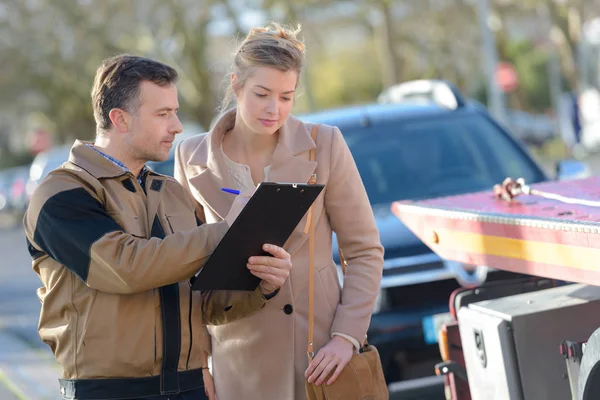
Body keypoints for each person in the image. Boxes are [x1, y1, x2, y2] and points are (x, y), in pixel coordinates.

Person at [23, 54, 292, 400]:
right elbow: (125, 267)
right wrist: (225, 231)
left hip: (191, 388)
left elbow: (206, 303)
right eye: (163, 114)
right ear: (119, 119)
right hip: (109, 393)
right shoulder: (61, 194)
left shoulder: (172, 193)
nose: (177, 126)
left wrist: (262, 283)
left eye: (175, 112)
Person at [174, 23, 384, 399]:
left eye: (286, 97)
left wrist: (346, 337)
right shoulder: (190, 157)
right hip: (237, 360)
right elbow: (185, 270)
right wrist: (195, 365)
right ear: (236, 84)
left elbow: (364, 250)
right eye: (262, 94)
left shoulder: (325, 145)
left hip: (319, 357)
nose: (275, 109)